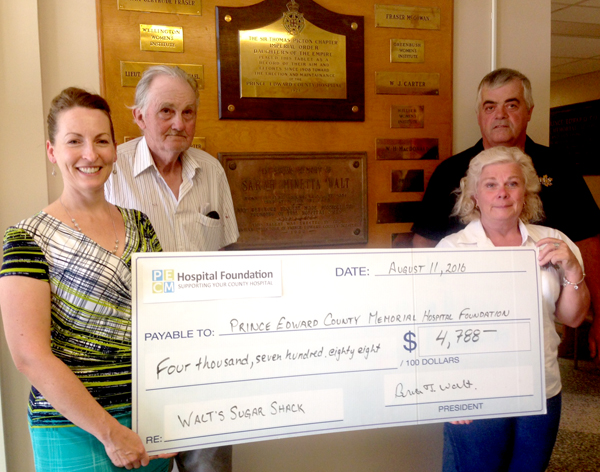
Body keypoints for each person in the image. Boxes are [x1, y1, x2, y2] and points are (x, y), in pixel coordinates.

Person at [0, 88, 172, 471]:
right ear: (52, 151)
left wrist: (175, 414)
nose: (90, 155)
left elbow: (165, 326)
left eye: (101, 141)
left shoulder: (140, 225)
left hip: (149, 422)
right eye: (74, 142)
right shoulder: (27, 238)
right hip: (73, 428)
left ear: (115, 148)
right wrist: (110, 433)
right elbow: (29, 356)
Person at [412, 68, 600, 361]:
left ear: (528, 112)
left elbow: (588, 241)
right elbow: (422, 248)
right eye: (490, 106)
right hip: (467, 349)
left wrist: (599, 314)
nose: (500, 115)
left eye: (511, 105)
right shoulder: (449, 172)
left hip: (539, 354)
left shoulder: (560, 168)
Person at [105, 66, 238, 472]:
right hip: (135, 362)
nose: (179, 123)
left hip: (206, 358)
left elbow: (229, 259)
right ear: (139, 116)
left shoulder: (211, 171)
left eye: (188, 112)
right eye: (166, 111)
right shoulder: (111, 172)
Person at [437, 146, 590, 472]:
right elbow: (430, 326)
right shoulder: (451, 250)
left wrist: (574, 272)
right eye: (491, 184)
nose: (502, 193)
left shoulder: (552, 241)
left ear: (527, 191)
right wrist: (445, 390)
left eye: (512, 183)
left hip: (541, 388)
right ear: (474, 195)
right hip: (475, 393)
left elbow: (573, 318)